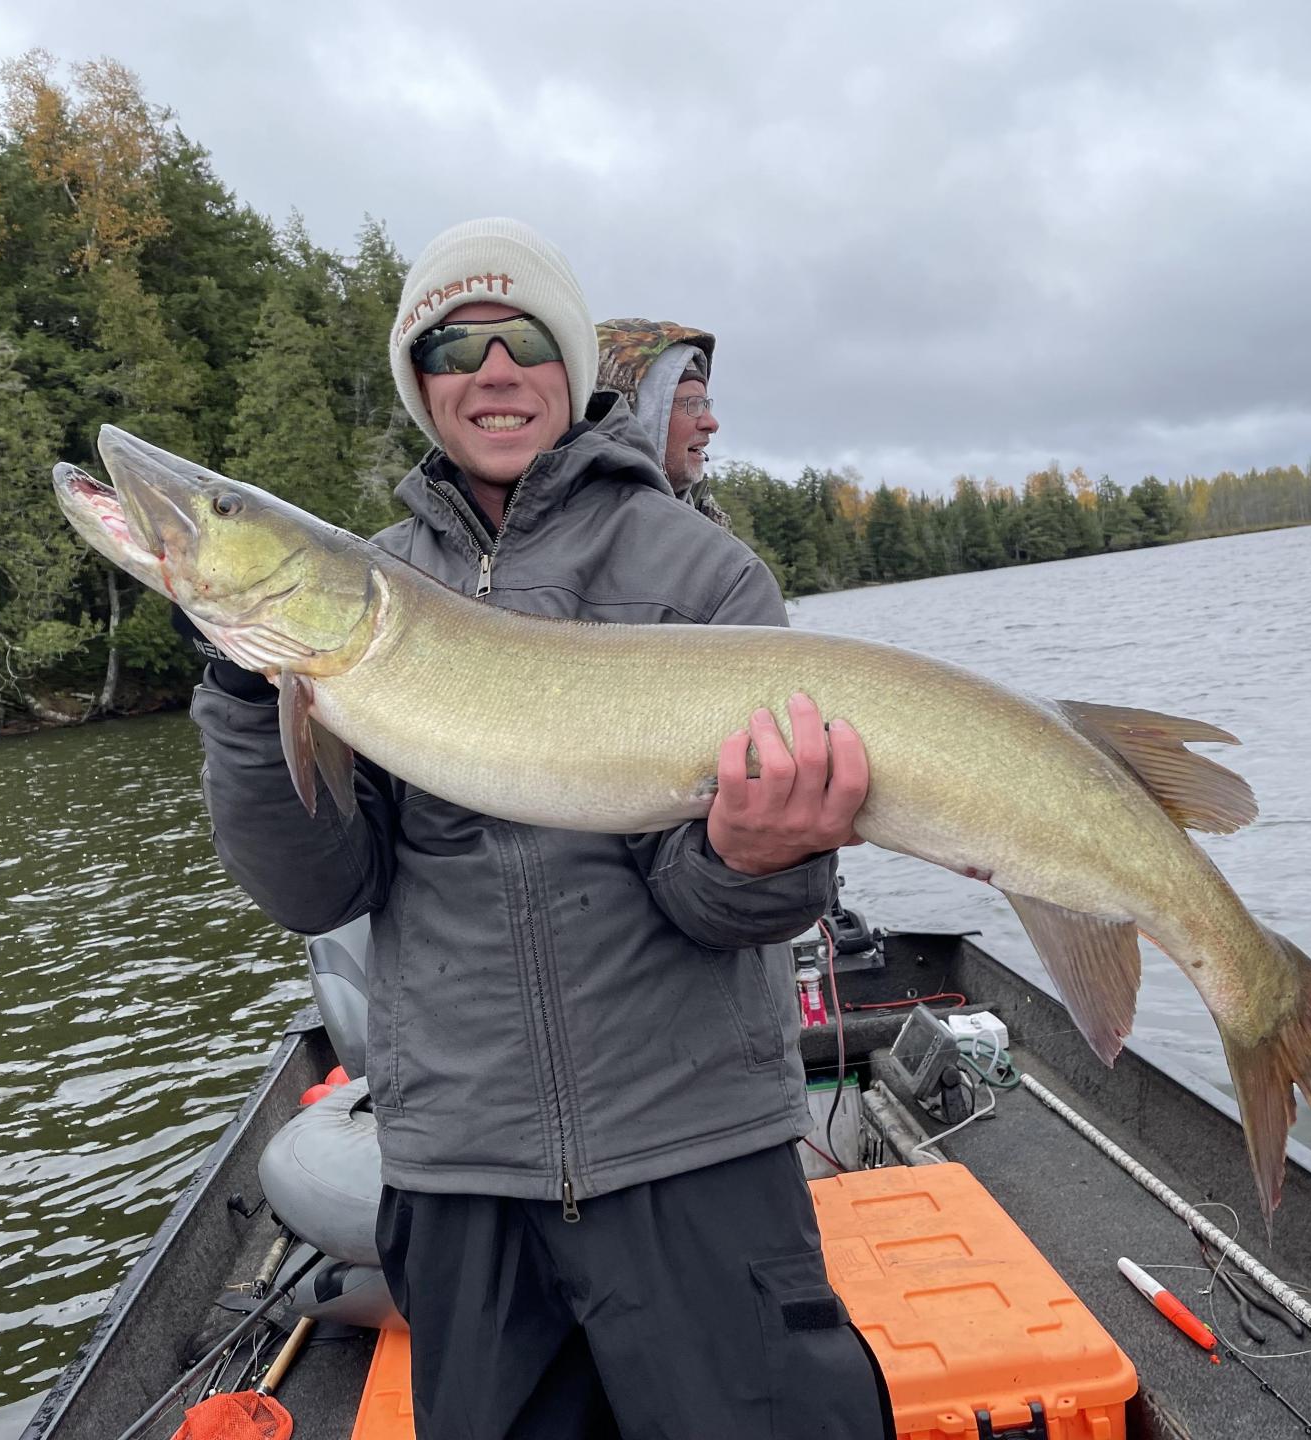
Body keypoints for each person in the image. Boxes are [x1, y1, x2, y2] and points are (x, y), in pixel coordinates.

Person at [180, 218, 887, 1438]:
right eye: (454, 344)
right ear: (422, 382)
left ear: (567, 363)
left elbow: (723, 904)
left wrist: (751, 856)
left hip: (694, 1154)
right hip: (462, 1179)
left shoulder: (703, 576)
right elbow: (318, 888)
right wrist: (250, 695)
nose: (491, 370)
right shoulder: (366, 601)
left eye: (522, 340)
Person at [596, 317, 733, 527]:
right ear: (634, 416)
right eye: (692, 404)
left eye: (705, 404)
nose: (711, 423)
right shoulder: (574, 527)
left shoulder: (708, 529)